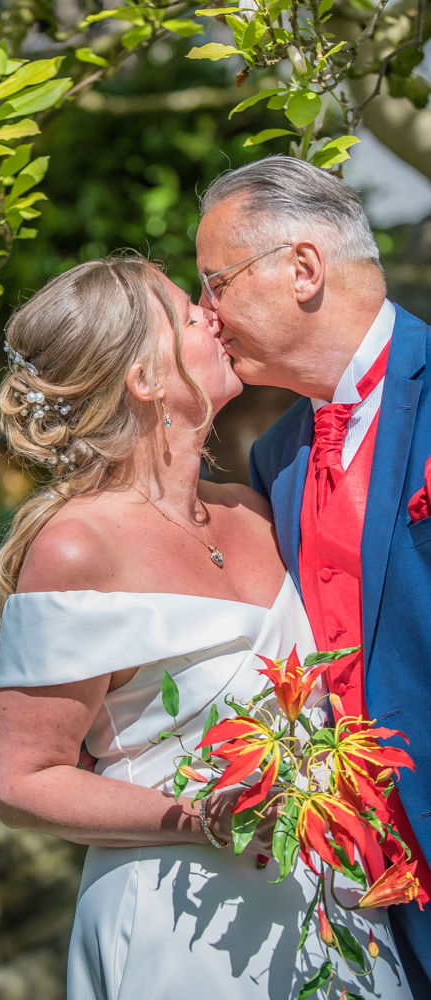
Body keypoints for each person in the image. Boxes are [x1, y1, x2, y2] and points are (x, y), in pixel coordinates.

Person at [0, 255, 412, 999]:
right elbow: (22, 781)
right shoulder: (76, 547)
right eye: (189, 313)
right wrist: (196, 818)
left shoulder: (254, 505)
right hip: (183, 927)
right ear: (146, 381)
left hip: (329, 904)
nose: (214, 315)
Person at [196, 155, 431, 999]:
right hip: (376, 886)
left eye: (215, 282)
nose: (205, 314)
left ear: (303, 269)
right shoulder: (275, 458)